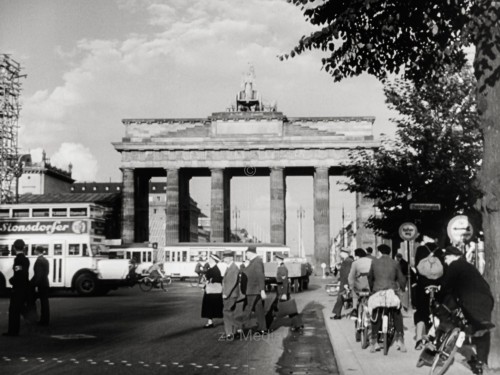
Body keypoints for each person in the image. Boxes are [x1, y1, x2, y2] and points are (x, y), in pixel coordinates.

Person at [438, 246, 494, 375]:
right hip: (486, 299)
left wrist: (438, 299)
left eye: (446, 258)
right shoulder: (469, 266)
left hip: (470, 298)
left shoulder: (455, 265)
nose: (445, 261)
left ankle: (445, 347)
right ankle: (481, 362)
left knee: (451, 316)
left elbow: (446, 285)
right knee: (482, 328)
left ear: (452, 256)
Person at [367, 244, 407, 353]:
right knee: (397, 312)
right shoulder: (395, 263)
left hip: (378, 291)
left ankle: (374, 342)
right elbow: (401, 278)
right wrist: (403, 288)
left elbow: (370, 277)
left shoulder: (374, 262)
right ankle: (400, 340)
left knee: (376, 313)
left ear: (379, 252)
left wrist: (372, 289)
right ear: (389, 253)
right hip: (391, 291)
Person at [413, 244, 443, 350]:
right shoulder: (439, 250)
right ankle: (435, 337)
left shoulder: (420, 249)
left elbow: (417, 268)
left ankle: (418, 340)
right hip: (438, 284)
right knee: (438, 310)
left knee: (421, 311)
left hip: (423, 285)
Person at [3, 239, 30, 336]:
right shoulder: (26, 259)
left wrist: (11, 280)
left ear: (14, 248)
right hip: (23, 288)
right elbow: (23, 273)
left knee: (13, 310)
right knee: (18, 309)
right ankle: (15, 330)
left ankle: (13, 331)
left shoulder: (18, 259)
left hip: (18, 288)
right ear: (23, 247)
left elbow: (19, 274)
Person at [241, 246, 267, 333]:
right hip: (253, 290)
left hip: (253, 290)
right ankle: (263, 328)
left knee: (247, 309)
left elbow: (260, 276)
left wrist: (262, 290)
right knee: (259, 309)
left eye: (247, 253)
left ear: (251, 253)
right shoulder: (253, 262)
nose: (246, 255)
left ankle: (241, 328)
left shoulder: (257, 262)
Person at [221, 251, 241, 339]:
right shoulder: (231, 267)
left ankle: (230, 332)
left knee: (226, 312)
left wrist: (226, 293)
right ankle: (235, 330)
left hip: (230, 294)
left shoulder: (233, 268)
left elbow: (231, 282)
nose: (224, 259)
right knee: (230, 312)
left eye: (225, 257)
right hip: (232, 294)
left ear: (231, 258)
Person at [347, 248, 372, 319]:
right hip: (370, 285)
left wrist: (351, 286)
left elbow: (351, 277)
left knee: (354, 294)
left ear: (357, 256)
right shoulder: (371, 261)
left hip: (360, 285)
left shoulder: (355, 263)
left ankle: (354, 310)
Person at [201, 254, 224, 328]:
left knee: (210, 306)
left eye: (210, 258)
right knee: (211, 307)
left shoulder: (215, 269)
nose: (209, 259)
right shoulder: (213, 268)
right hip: (211, 290)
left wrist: (209, 280)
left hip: (212, 291)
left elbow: (217, 279)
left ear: (214, 260)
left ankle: (210, 322)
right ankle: (210, 321)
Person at [330, 249, 353, 320]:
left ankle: (338, 314)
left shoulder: (347, 261)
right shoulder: (347, 261)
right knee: (341, 298)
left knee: (340, 298)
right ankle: (337, 314)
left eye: (341, 253)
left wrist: (345, 284)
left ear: (345, 253)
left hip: (345, 283)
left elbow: (347, 273)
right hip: (344, 282)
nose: (340, 254)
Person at [30, 246, 50, 326]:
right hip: (45, 282)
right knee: (45, 302)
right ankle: (45, 320)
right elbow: (46, 272)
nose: (34, 251)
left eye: (35, 249)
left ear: (37, 251)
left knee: (38, 301)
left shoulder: (39, 261)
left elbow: (38, 274)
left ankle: (42, 321)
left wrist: (35, 285)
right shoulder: (45, 260)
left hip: (40, 284)